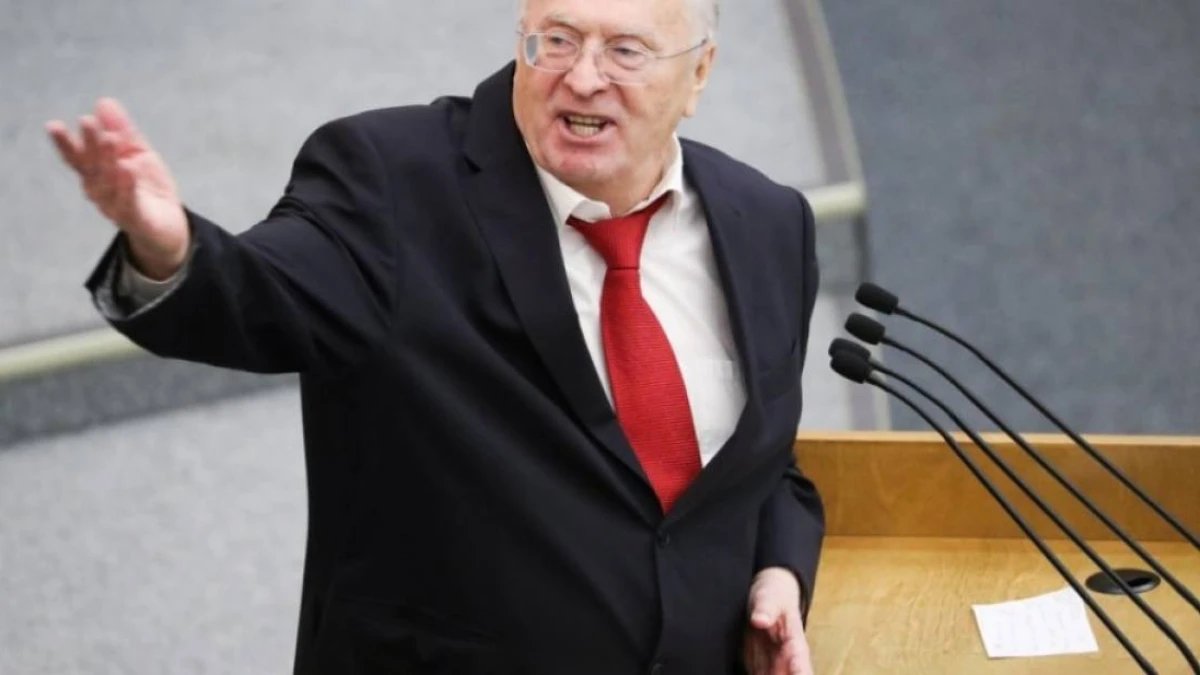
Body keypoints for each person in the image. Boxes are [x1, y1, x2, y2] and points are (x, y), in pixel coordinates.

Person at [46, 0, 824, 672]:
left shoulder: (767, 223)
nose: (583, 77)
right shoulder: (391, 182)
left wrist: (780, 571)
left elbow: (762, 465)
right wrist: (173, 250)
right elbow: (261, 297)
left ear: (699, 73)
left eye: (625, 50)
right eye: (557, 39)